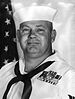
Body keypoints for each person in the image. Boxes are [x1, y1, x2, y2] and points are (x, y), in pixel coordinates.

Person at [0, 2, 75, 99]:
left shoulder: (69, 78)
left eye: (40, 30)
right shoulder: (4, 72)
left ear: (52, 35)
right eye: (26, 30)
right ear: (18, 36)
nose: (32, 35)